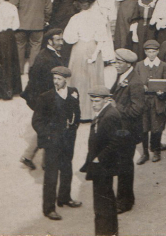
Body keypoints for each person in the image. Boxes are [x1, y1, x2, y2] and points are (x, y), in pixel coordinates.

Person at [31, 66, 82, 220]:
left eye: (59, 79)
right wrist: (49, 136)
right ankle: (49, 209)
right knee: (51, 175)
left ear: (66, 79)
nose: (56, 82)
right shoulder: (45, 97)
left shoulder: (73, 92)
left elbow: (76, 113)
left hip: (68, 140)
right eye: (54, 78)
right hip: (53, 142)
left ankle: (64, 198)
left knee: (67, 169)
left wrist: (73, 128)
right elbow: (37, 121)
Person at [63, 0, 114, 120]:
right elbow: (102, 39)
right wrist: (95, 54)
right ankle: (92, 113)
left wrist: (80, 38)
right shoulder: (99, 18)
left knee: (79, 79)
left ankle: (78, 112)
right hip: (93, 48)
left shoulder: (75, 18)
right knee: (93, 79)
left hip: (79, 49)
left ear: (80, 3)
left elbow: (69, 38)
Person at [80, 86, 121, 236]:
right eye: (92, 101)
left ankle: (105, 232)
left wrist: (99, 158)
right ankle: (111, 232)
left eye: (97, 101)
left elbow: (115, 141)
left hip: (103, 166)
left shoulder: (109, 115)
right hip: (101, 165)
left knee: (102, 203)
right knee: (106, 200)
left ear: (106, 100)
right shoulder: (105, 112)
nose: (93, 104)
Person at [110, 48, 144, 214]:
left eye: (119, 62)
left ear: (129, 64)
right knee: (121, 164)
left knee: (124, 166)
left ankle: (125, 202)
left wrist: (118, 106)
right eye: (115, 61)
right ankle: (125, 198)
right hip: (120, 130)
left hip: (128, 131)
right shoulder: (122, 75)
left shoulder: (135, 82)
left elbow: (137, 110)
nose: (115, 65)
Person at [10, 0, 52, 75]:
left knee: (19, 47)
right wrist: (45, 20)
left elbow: (11, 8)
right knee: (35, 48)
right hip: (38, 25)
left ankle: (19, 72)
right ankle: (33, 71)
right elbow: (48, 8)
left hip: (20, 25)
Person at [136, 40, 166, 164]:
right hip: (144, 101)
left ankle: (156, 151)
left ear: (158, 51)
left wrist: (163, 91)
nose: (151, 54)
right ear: (145, 52)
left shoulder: (163, 65)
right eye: (149, 52)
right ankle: (145, 153)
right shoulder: (139, 65)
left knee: (157, 127)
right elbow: (135, 83)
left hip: (157, 100)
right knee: (144, 128)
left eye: (154, 52)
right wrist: (141, 88)